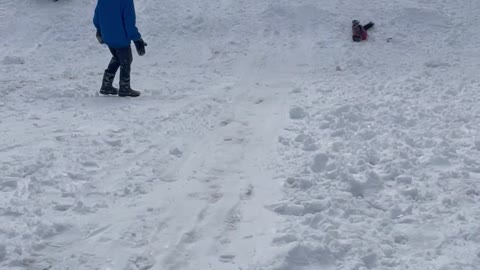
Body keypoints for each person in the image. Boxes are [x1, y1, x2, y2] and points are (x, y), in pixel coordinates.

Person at [93, 0, 147, 97]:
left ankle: (106, 85)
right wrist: (137, 39)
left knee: (117, 58)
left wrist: (99, 30)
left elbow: (97, 16)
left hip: (107, 35)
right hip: (120, 37)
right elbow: (129, 22)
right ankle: (125, 87)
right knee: (126, 60)